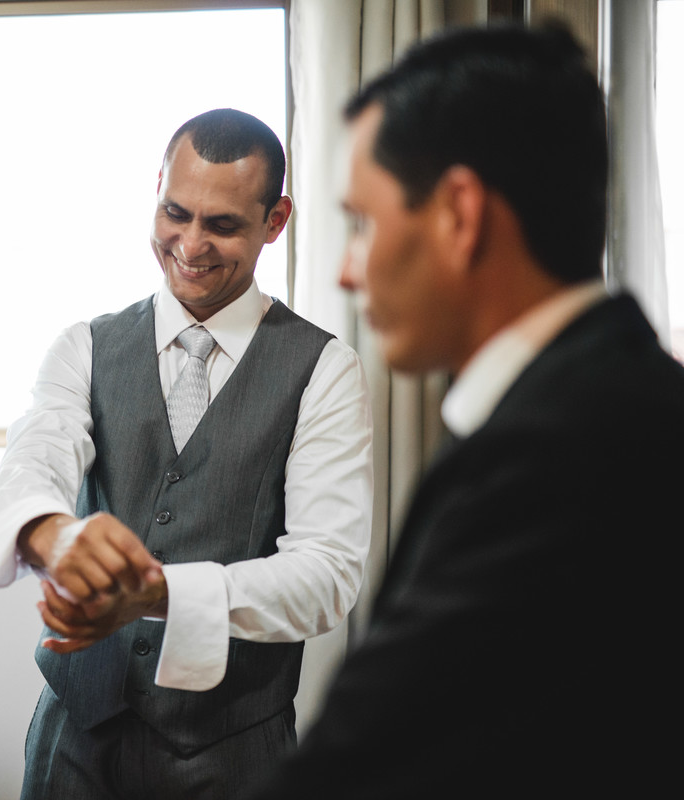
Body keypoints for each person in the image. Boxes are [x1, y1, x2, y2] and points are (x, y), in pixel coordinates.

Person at [262, 24, 684, 798]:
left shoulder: (557, 455)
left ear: (459, 214)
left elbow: (362, 767)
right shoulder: (623, 398)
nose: (348, 271)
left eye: (361, 223)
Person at [0, 108, 374, 799]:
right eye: (175, 213)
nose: (190, 244)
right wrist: (53, 535)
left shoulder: (325, 370)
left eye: (223, 225)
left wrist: (158, 594)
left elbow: (326, 574)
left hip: (236, 754)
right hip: (73, 744)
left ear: (275, 221)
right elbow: (33, 460)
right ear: (156, 190)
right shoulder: (83, 346)